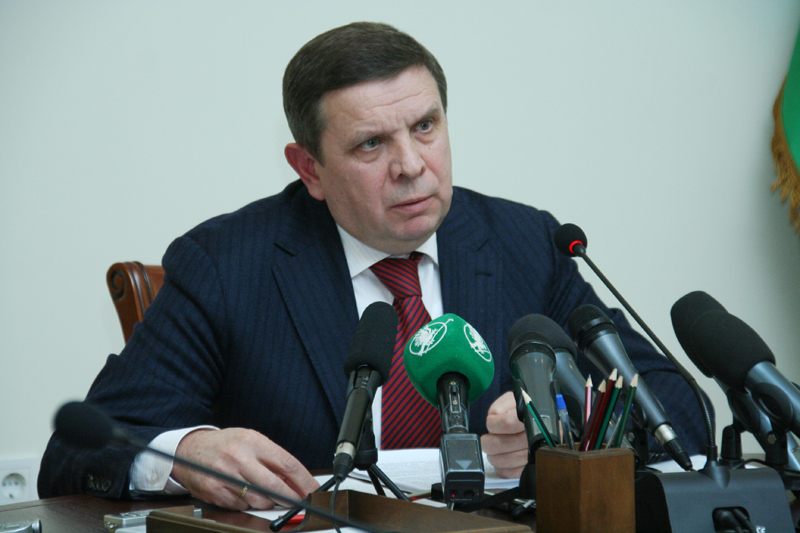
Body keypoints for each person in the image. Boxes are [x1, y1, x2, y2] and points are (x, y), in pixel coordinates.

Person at [38, 21, 707, 511]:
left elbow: (679, 408)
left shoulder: (523, 242)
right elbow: (76, 454)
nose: (412, 165)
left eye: (425, 127)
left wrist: (565, 424)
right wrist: (187, 453)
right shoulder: (226, 264)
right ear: (309, 168)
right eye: (370, 144)